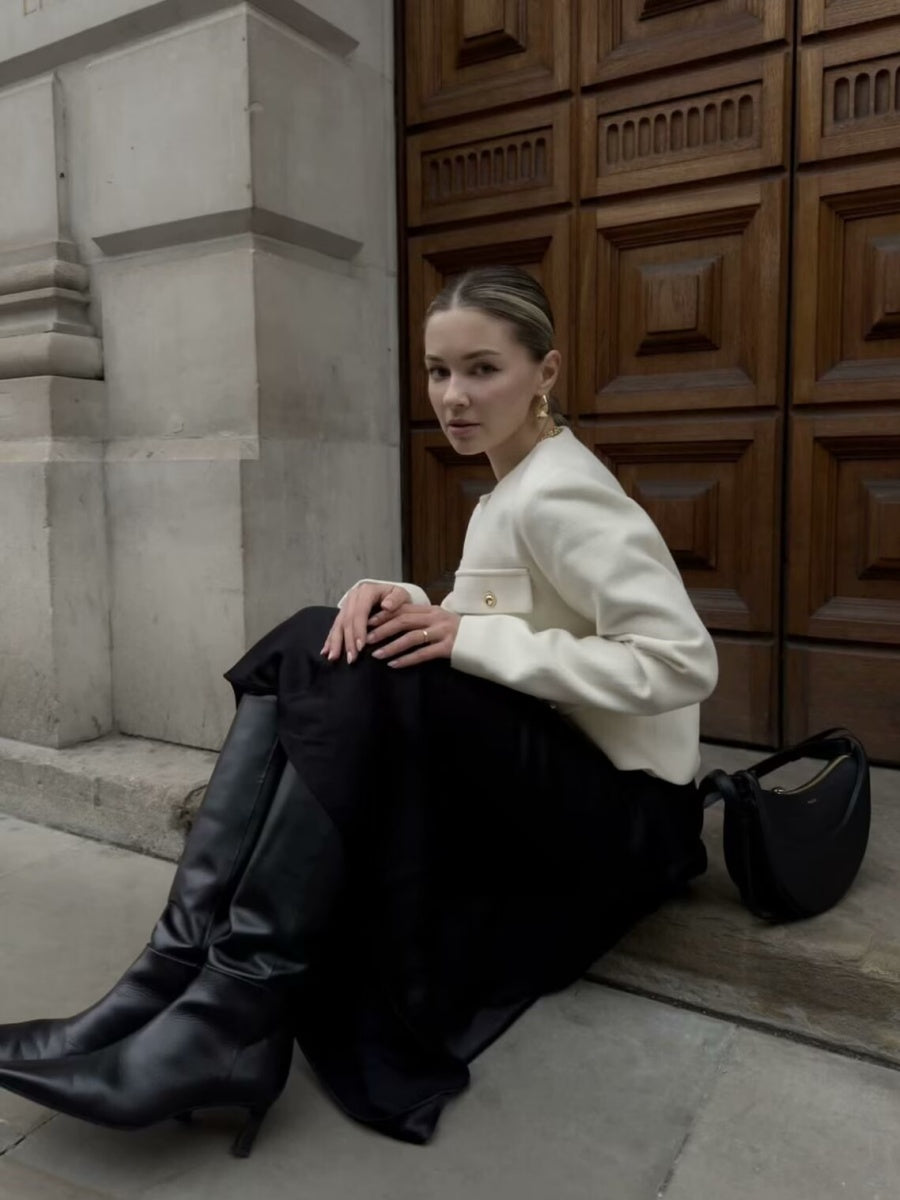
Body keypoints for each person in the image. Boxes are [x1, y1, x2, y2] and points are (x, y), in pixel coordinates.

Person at [0, 266, 718, 1155]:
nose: (453, 397)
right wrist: (411, 599)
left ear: (547, 373)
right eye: (436, 371)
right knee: (334, 639)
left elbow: (681, 661)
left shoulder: (563, 491)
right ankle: (182, 984)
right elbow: (501, 621)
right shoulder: (512, 484)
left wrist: (459, 641)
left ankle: (210, 1000)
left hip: (628, 819)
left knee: (326, 644)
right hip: (564, 779)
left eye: (482, 370)